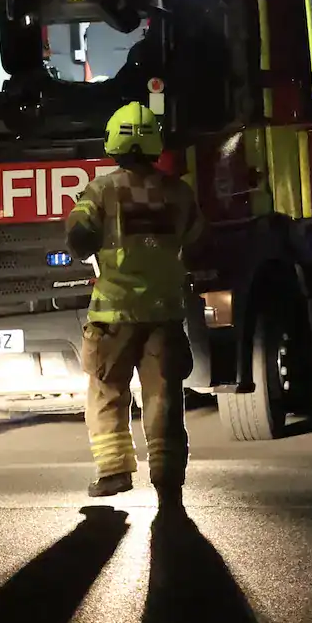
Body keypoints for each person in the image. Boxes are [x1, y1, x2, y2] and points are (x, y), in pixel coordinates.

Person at [65, 101, 202, 506]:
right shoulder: (178, 192)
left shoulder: (102, 190)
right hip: (164, 314)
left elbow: (79, 237)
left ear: (113, 145)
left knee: (107, 391)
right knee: (163, 396)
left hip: (113, 315)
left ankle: (114, 473)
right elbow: (197, 243)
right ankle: (167, 477)